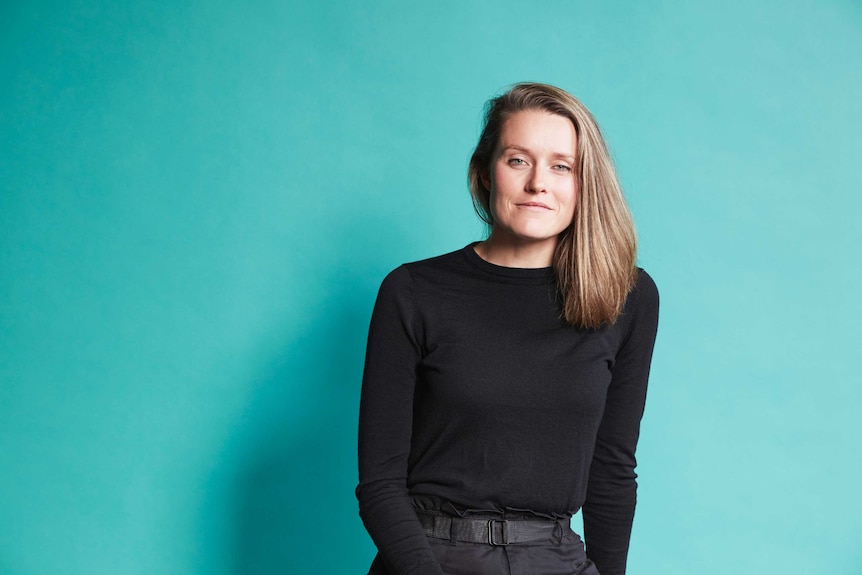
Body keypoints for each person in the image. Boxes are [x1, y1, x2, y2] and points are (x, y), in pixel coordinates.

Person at [356, 82, 659, 575]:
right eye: (518, 160)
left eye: (562, 166)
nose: (539, 182)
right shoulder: (414, 291)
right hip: (430, 558)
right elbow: (380, 485)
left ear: (585, 184)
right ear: (484, 173)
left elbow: (612, 471)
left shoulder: (628, 298)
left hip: (557, 559)